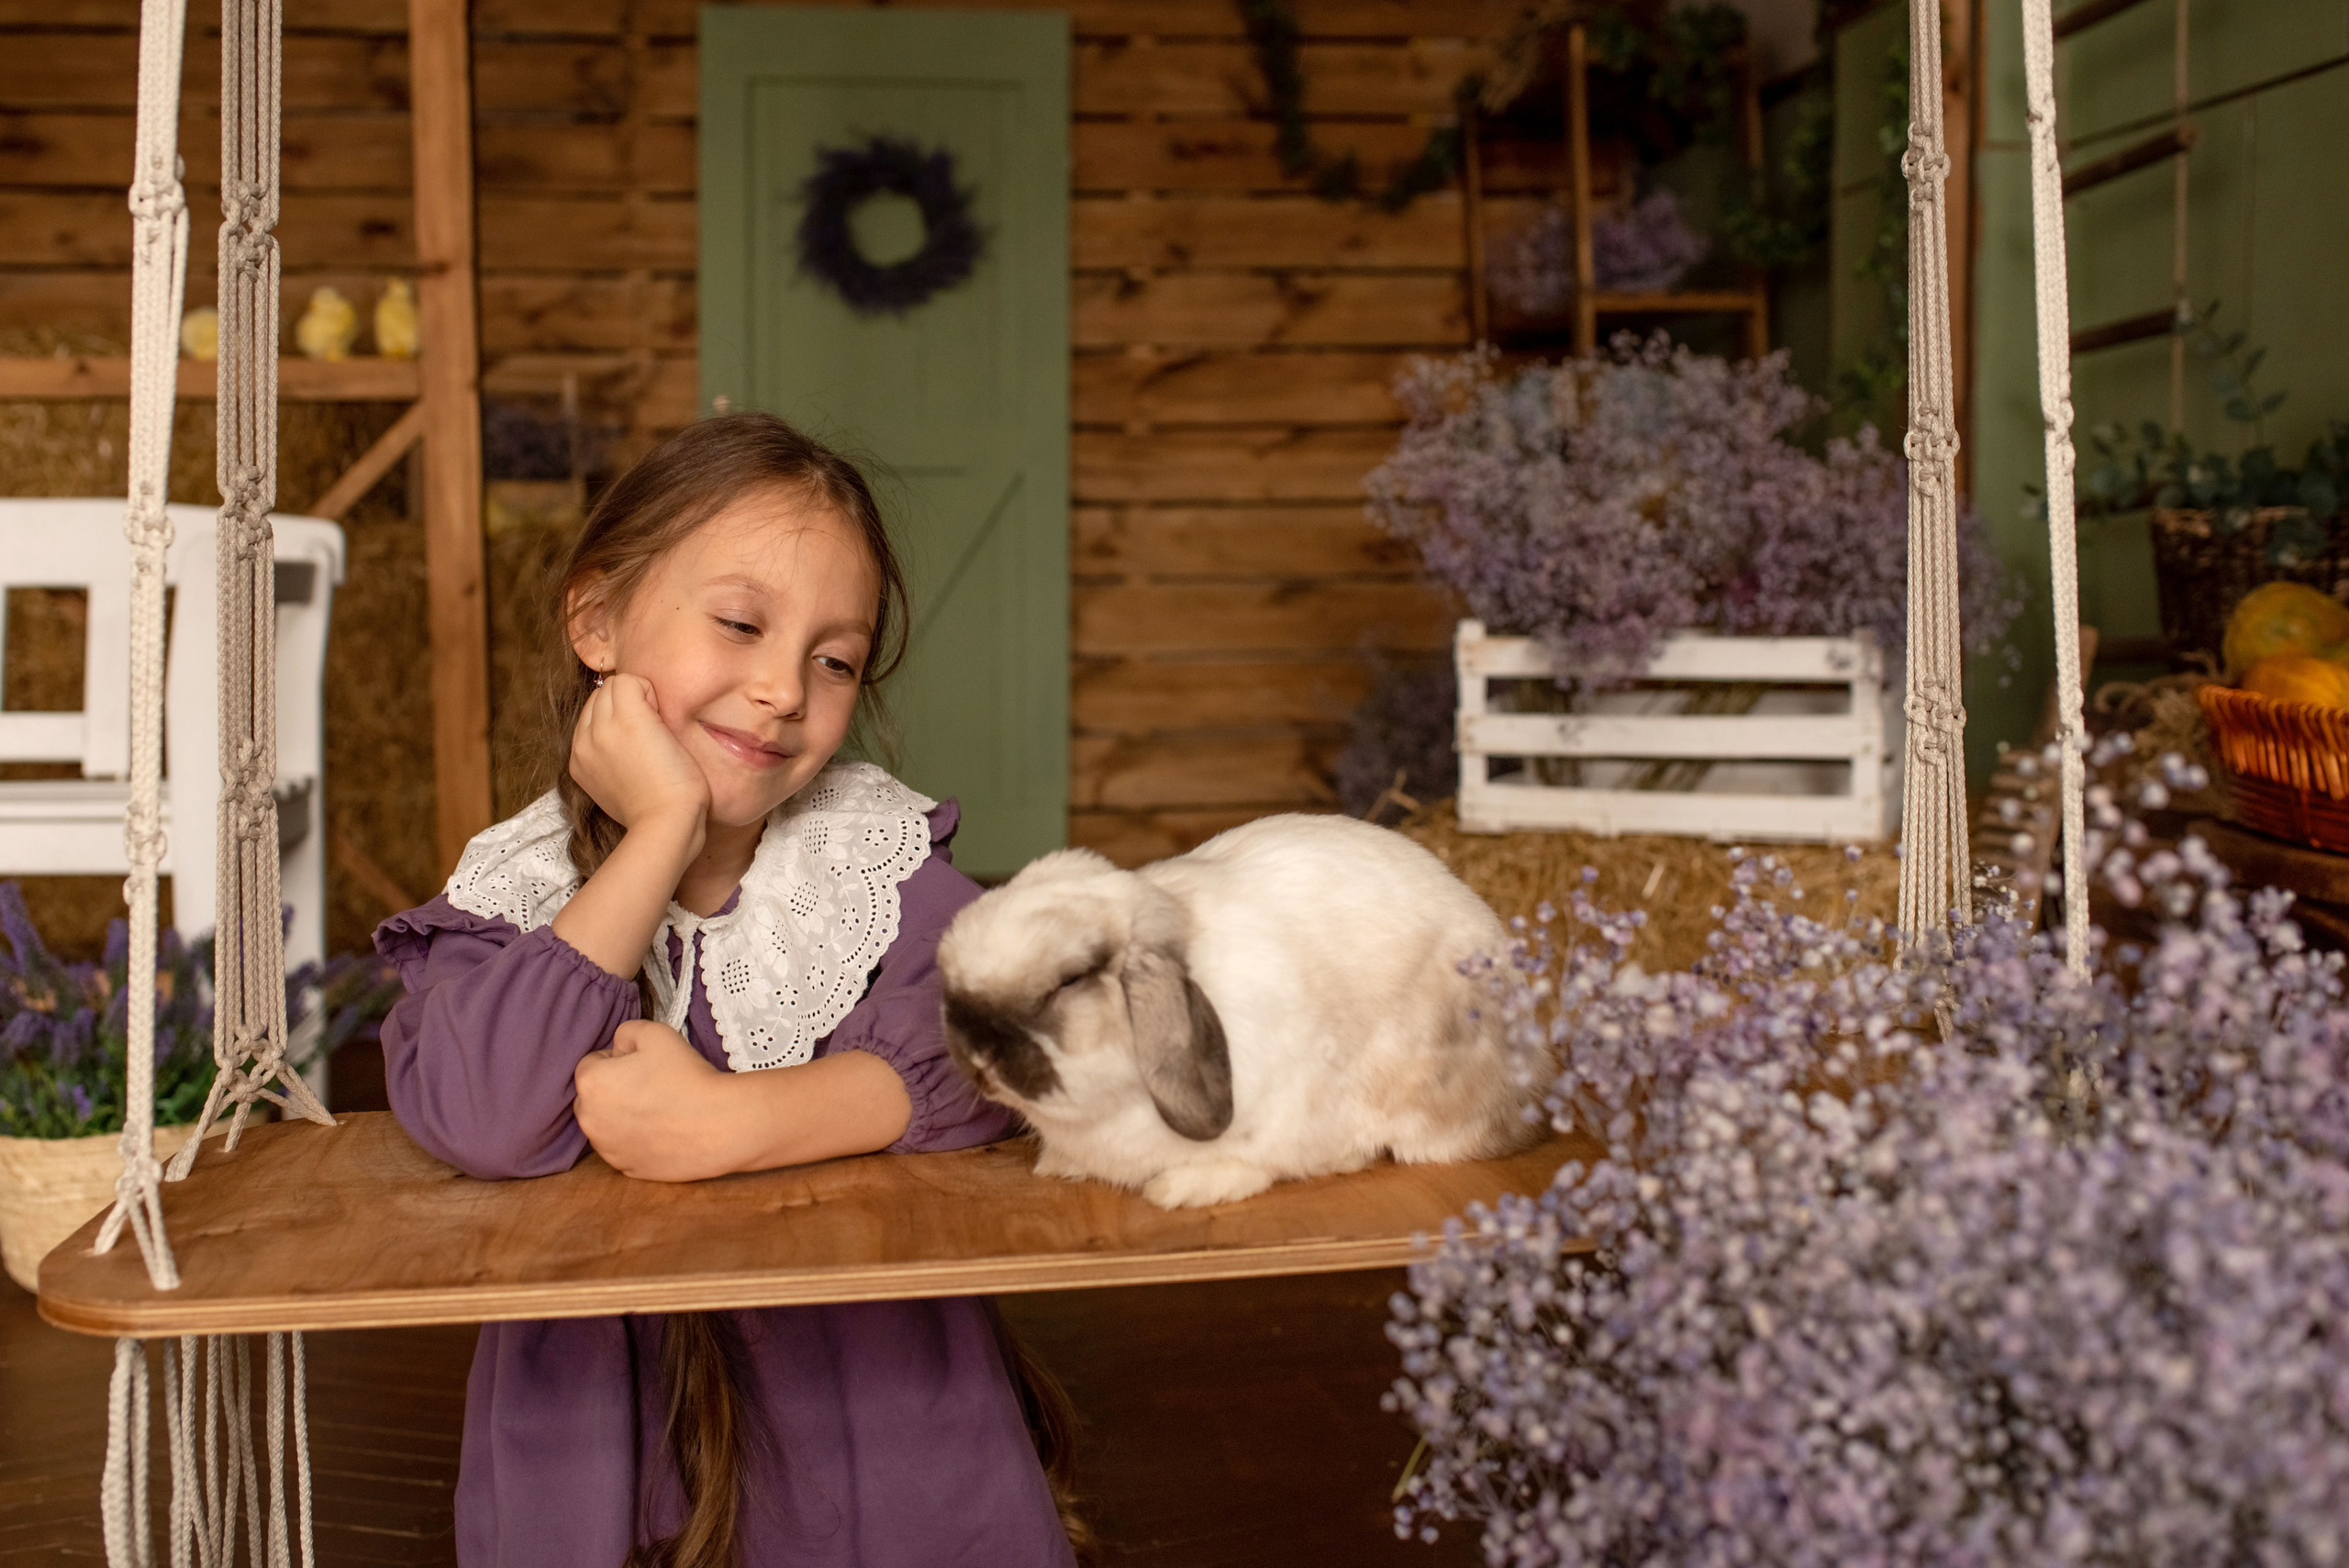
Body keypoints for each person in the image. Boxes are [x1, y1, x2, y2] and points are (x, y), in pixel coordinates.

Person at [374, 414, 1088, 1568]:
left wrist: (737, 1121)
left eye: (834, 657)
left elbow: (1009, 1046)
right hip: (594, 1457)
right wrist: (658, 832)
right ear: (596, 621)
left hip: (879, 1447)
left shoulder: (869, 866)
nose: (779, 689)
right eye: (742, 624)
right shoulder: (514, 892)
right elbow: (484, 1112)